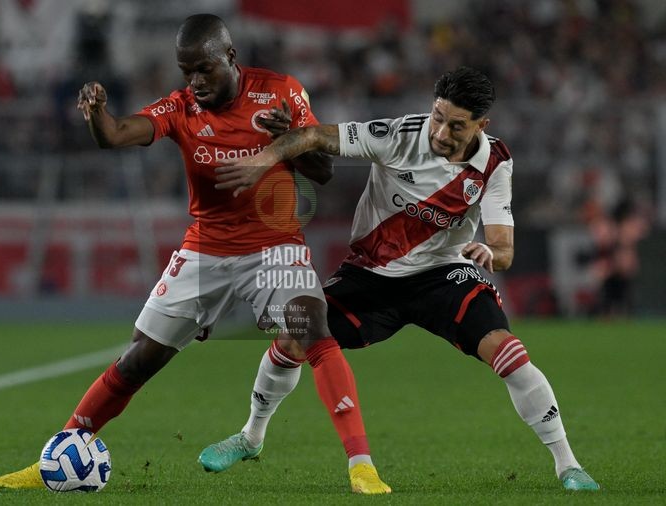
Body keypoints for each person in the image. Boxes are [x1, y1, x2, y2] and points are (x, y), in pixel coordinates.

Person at [0, 14, 390, 494]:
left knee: (311, 327)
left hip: (275, 247)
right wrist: (96, 115)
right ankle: (56, 456)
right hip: (205, 250)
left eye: (204, 69)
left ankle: (361, 466)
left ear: (230, 57)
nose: (195, 81)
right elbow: (115, 135)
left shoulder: (280, 91)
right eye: (186, 71)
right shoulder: (181, 107)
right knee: (138, 359)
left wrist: (288, 144)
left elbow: (323, 171)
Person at [202, 66, 600, 491]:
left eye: (456, 126)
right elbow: (316, 137)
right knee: (293, 338)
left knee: (507, 351)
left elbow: (503, 250)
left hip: (443, 274)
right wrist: (263, 159)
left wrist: (490, 252)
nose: (441, 132)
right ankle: (251, 437)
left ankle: (568, 465)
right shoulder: (398, 135)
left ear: (481, 125)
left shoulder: (495, 163)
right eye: (438, 117)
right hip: (370, 274)